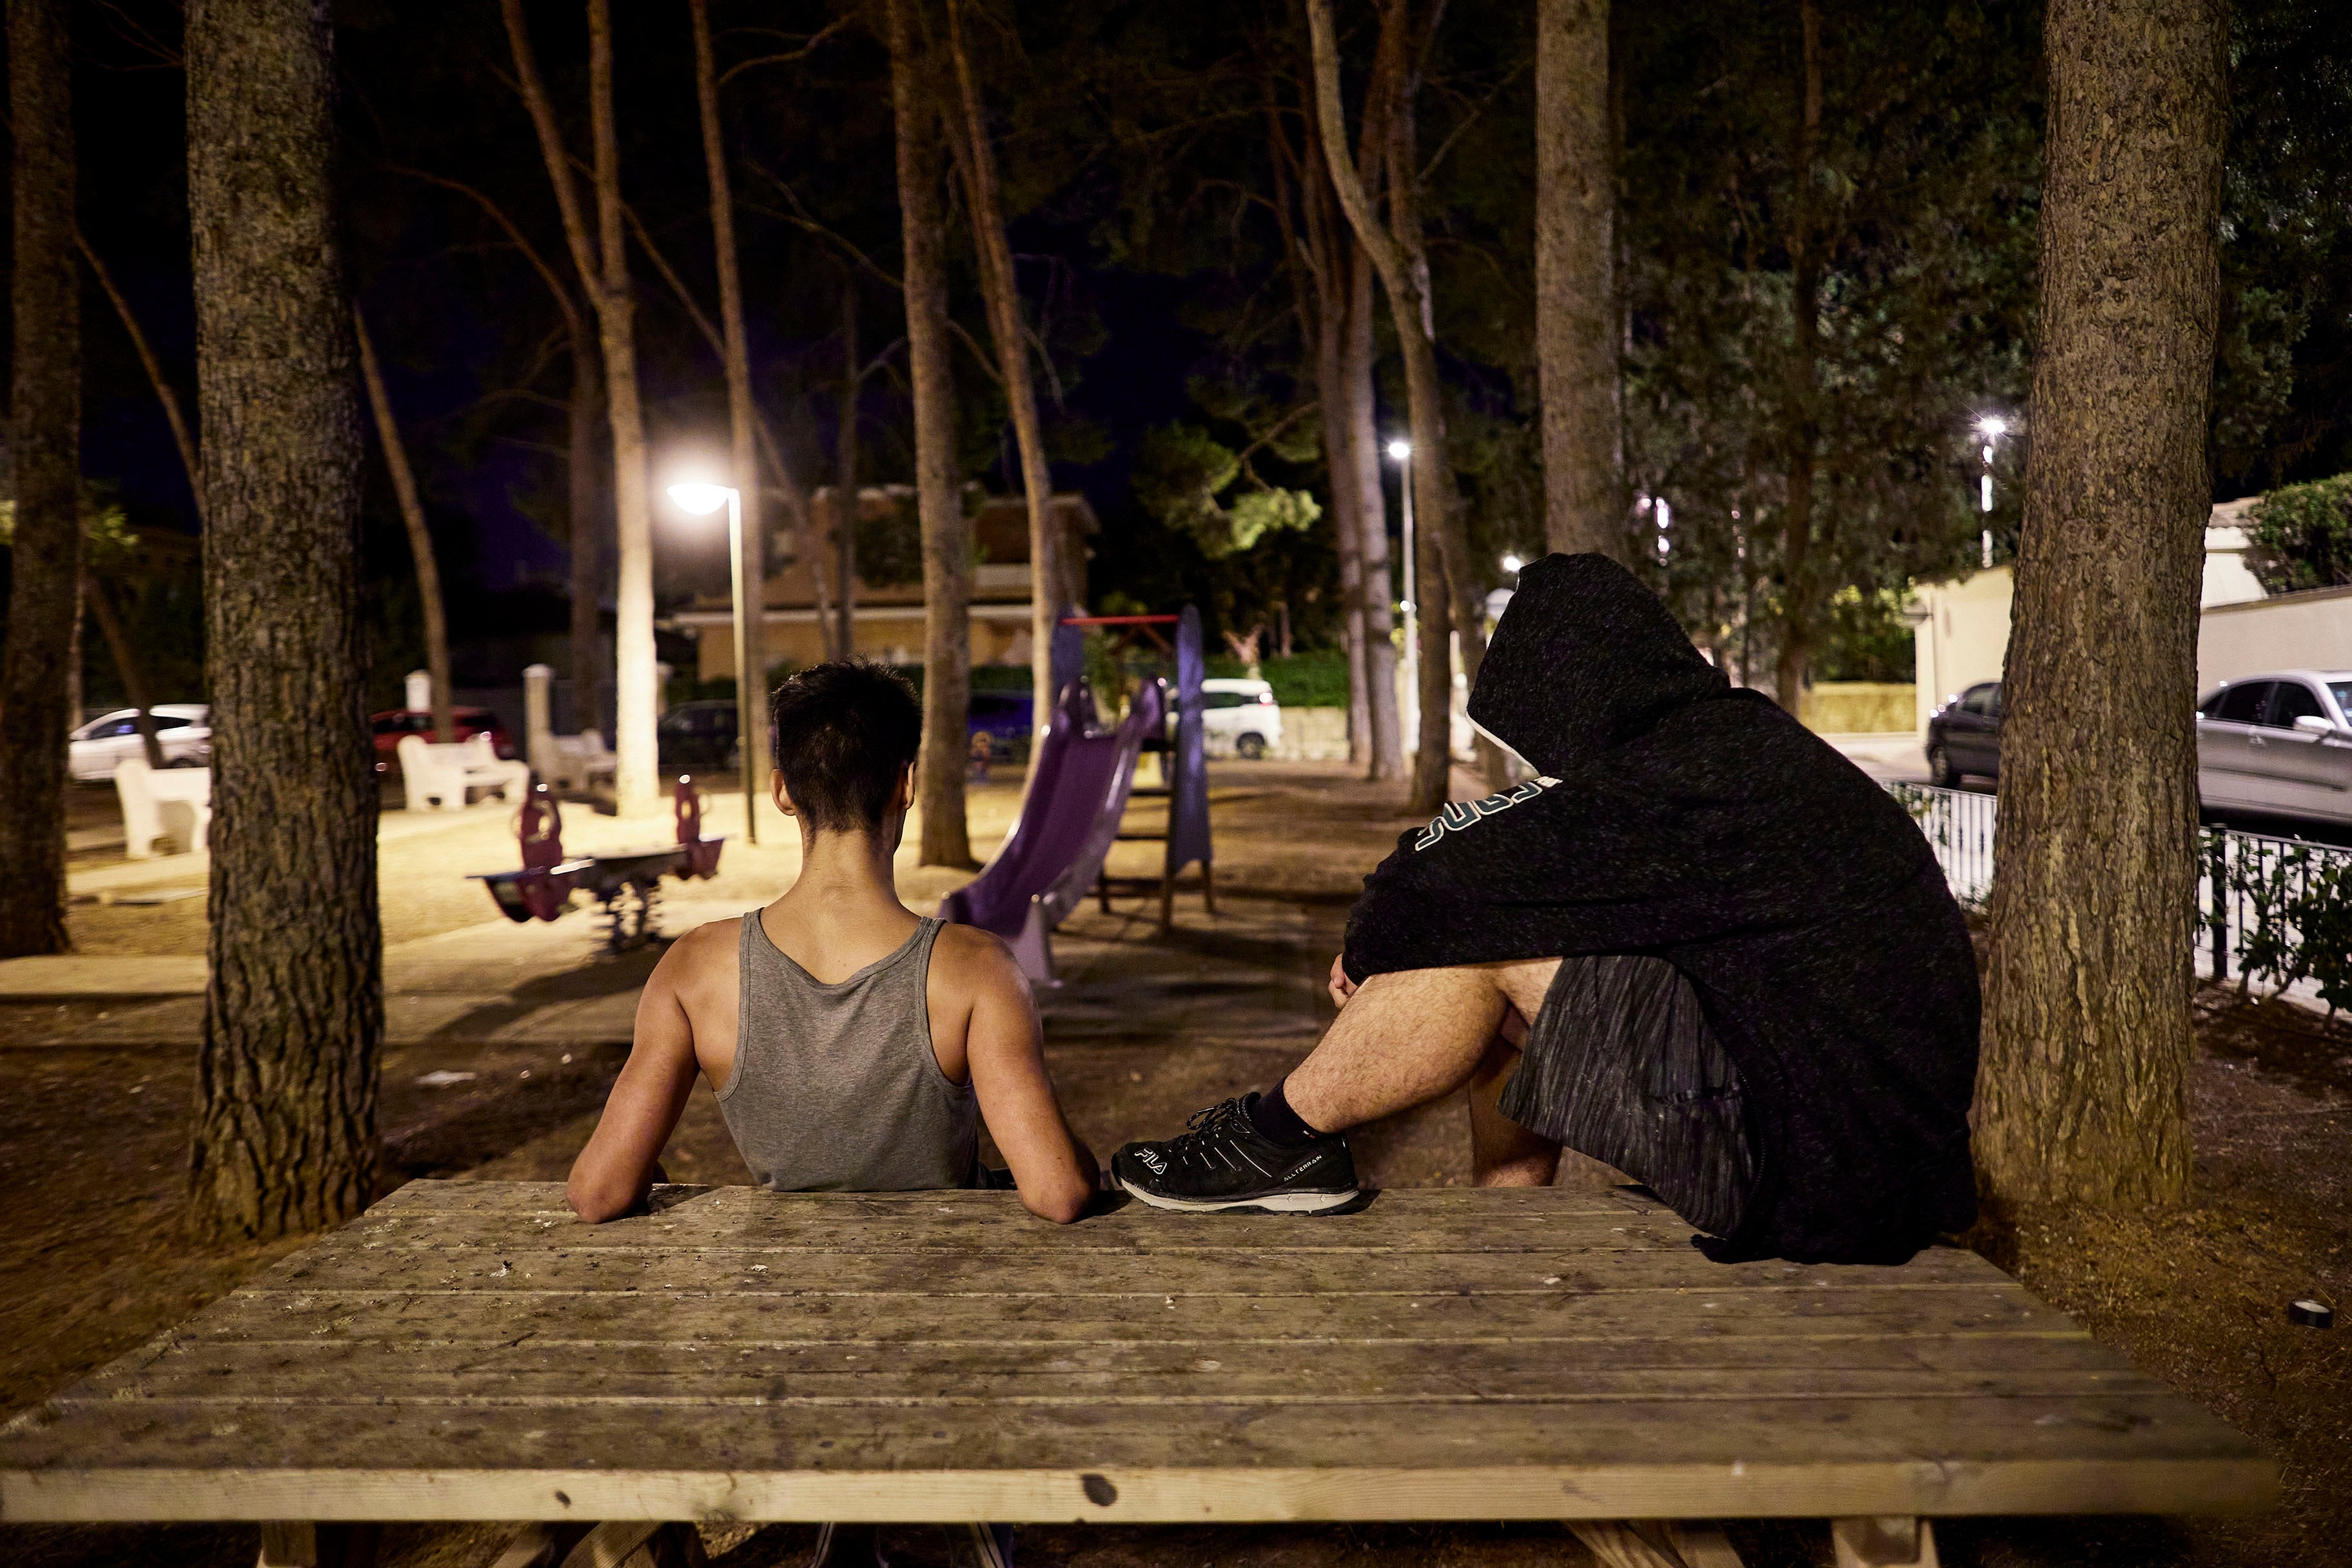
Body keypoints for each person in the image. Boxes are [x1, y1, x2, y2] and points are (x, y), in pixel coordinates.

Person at [1113, 553, 1980, 1266]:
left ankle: (1278, 1137)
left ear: (1579, 684)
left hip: (1819, 1175)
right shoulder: (1728, 748)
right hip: (1851, 1144)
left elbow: (1452, 874)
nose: (1551, 757)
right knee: (1515, 919)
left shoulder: (1698, 775)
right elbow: (1492, 866)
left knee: (1485, 935)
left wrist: (1378, 943)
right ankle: (1506, 1217)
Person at [566, 660, 1099, 1228]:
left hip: (785, 1296)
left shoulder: (695, 968)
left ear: (782, 791)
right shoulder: (976, 969)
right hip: (947, 1288)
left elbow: (599, 1192)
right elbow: (1057, 1191)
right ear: (907, 784)